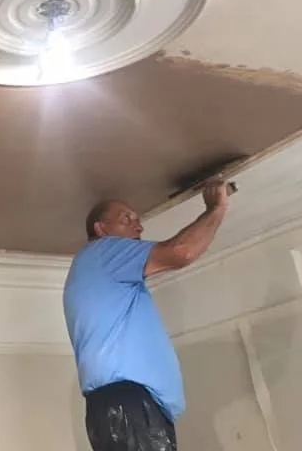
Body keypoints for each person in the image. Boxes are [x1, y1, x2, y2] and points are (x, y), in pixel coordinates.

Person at [63, 179, 230, 451]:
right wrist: (216, 208)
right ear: (100, 229)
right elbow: (181, 252)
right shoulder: (103, 252)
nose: (138, 226)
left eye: (138, 220)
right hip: (127, 407)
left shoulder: (96, 269)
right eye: (126, 218)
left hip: (122, 408)